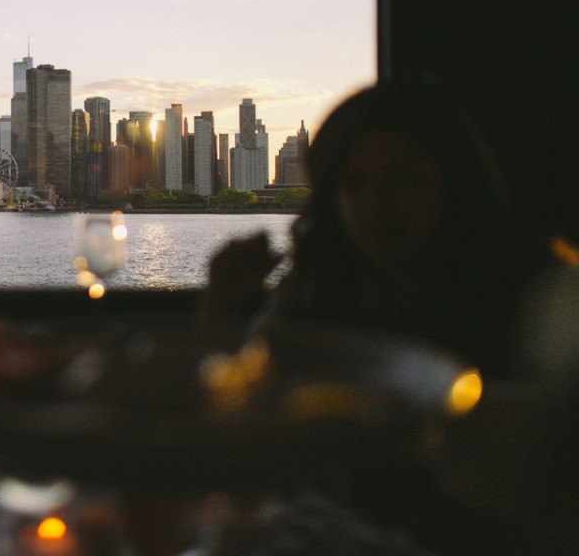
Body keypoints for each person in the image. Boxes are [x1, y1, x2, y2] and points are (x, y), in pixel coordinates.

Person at [203, 78, 546, 377]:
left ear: (458, 186)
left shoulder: (537, 305)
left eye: (406, 179)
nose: (376, 202)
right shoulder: (315, 287)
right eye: (354, 182)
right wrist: (220, 310)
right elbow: (245, 390)